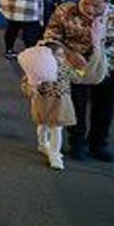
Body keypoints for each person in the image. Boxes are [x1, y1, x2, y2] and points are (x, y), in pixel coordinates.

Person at [43, 0, 114, 162]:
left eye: (97, 5)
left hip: (110, 68)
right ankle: (77, 143)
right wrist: (68, 53)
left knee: (104, 107)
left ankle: (98, 144)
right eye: (85, 3)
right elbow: (50, 38)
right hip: (75, 68)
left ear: (107, 2)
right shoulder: (65, 11)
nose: (90, 9)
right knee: (76, 105)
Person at [17, 43, 75, 171]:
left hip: (61, 102)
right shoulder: (38, 69)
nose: (62, 58)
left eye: (63, 55)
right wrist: (32, 86)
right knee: (42, 124)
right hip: (43, 101)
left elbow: (76, 78)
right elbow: (27, 88)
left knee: (56, 128)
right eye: (58, 55)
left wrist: (82, 68)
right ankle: (43, 144)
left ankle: (54, 154)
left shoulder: (65, 68)